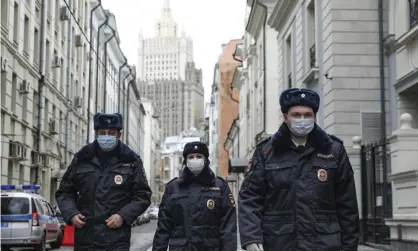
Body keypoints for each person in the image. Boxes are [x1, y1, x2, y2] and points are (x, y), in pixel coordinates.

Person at [238, 88, 360, 251]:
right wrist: (251, 237)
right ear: (286, 117)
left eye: (307, 115)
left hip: (325, 244)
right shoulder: (267, 152)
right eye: (296, 115)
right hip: (279, 243)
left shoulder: (334, 150)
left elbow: (347, 205)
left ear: (314, 116)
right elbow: (250, 198)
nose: (302, 120)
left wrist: (349, 247)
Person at [56, 113, 152, 251]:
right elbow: (65, 192)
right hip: (85, 238)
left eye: (111, 133)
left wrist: (122, 216)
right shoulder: (82, 158)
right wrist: (71, 213)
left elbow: (142, 196)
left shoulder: (131, 161)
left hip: (116, 240)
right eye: (103, 133)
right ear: (96, 134)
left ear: (119, 135)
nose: (106, 136)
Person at [152, 141, 237, 251]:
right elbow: (163, 229)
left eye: (199, 156)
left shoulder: (220, 187)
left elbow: (228, 228)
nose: (195, 160)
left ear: (205, 160)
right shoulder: (173, 188)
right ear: (186, 161)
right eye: (191, 157)